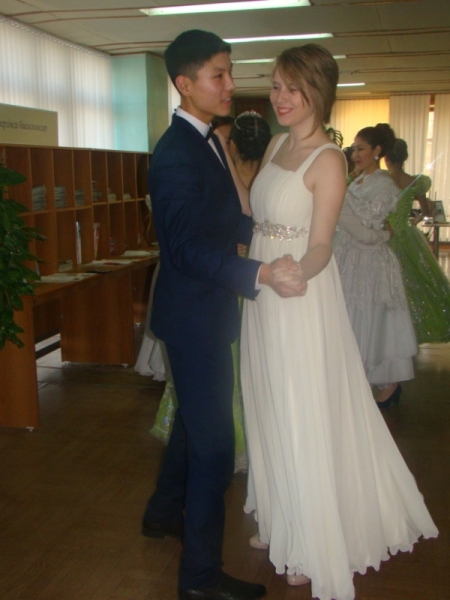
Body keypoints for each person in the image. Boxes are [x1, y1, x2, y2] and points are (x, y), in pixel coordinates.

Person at [240, 44, 438, 600]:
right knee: (268, 400)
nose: (280, 97)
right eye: (275, 86)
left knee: (300, 408)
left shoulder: (327, 159)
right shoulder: (276, 143)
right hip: (263, 291)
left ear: (318, 92)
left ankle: (311, 539)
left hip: (298, 296)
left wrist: (294, 275)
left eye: (291, 88)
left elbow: (323, 245)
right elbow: (257, 213)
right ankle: (280, 514)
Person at [141, 30, 305, 600]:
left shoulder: (206, 137)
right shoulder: (175, 154)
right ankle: (199, 580)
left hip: (204, 312)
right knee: (214, 450)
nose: (231, 84)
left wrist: (272, 236)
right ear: (185, 84)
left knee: (194, 424)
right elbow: (186, 249)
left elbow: (220, 219)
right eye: (219, 74)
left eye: (230, 72)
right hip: (194, 319)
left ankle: (163, 513)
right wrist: (259, 273)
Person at [334, 123, 418, 407]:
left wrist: (341, 191)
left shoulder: (383, 183)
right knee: (352, 317)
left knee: (371, 320)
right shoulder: (358, 181)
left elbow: (370, 219)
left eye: (361, 149)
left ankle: (386, 383)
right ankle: (357, 380)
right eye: (354, 149)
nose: (355, 154)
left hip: (370, 260)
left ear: (377, 151)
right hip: (351, 256)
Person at [385, 139, 450, 343]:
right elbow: (427, 210)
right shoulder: (414, 181)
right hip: (407, 233)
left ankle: (391, 329)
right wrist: (415, 220)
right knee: (418, 279)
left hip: (386, 233)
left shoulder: (383, 180)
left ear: (386, 158)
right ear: (405, 157)